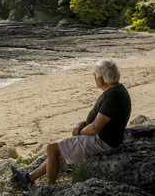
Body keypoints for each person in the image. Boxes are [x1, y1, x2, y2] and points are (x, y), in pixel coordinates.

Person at [11, 59, 131, 191]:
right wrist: (82, 124)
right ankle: (28, 179)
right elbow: (100, 119)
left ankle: (47, 190)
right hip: (105, 138)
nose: (94, 77)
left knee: (52, 149)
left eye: (94, 75)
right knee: (60, 152)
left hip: (102, 141)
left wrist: (80, 132)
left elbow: (94, 128)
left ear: (100, 79)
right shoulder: (116, 90)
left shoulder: (113, 96)